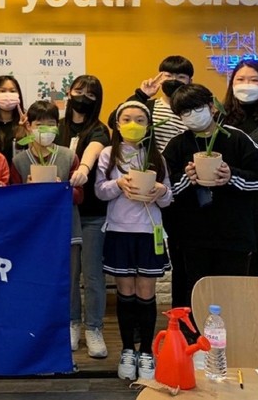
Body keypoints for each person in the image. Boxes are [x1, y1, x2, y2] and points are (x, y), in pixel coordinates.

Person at [164, 83, 258, 307]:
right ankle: (194, 329)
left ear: (212, 106)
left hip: (234, 236)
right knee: (194, 294)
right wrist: (187, 178)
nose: (192, 115)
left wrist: (231, 176)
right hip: (191, 237)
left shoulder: (237, 139)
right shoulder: (177, 145)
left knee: (231, 295)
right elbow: (165, 191)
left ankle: (230, 330)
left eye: (196, 108)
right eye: (184, 112)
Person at [107, 55, 194, 308]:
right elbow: (116, 120)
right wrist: (141, 95)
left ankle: (181, 312)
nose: (174, 80)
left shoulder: (190, 111)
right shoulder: (150, 107)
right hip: (145, 188)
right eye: (168, 75)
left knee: (181, 255)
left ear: (190, 81)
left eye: (181, 77)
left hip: (179, 187)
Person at [95, 101, 172, 381]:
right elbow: (100, 191)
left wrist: (161, 191)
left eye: (140, 120)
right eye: (127, 119)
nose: (133, 125)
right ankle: (128, 349)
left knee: (146, 292)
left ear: (149, 126)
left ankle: (147, 351)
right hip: (119, 230)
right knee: (125, 291)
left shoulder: (157, 156)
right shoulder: (108, 154)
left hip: (149, 232)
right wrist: (119, 184)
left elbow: (168, 197)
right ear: (117, 124)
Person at [12, 100, 84, 367]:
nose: (45, 129)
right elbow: (13, 197)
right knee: (35, 281)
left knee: (70, 279)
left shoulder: (68, 156)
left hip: (67, 228)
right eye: (39, 124)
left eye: (51, 124)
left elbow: (80, 195)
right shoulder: (19, 160)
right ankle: (36, 327)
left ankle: (72, 323)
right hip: (33, 235)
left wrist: (62, 188)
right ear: (29, 126)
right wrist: (28, 188)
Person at [57, 74, 110, 359]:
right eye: (79, 91)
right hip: (62, 214)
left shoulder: (99, 130)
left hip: (92, 214)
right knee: (68, 273)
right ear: (69, 92)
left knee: (92, 275)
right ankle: (71, 323)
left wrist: (84, 169)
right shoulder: (56, 128)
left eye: (91, 95)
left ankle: (94, 327)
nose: (83, 98)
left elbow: (93, 151)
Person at [222, 59, 258, 276]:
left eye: (254, 80)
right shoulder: (221, 117)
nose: (246, 84)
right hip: (231, 199)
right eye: (240, 79)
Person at [0, 75, 27, 166]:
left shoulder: (26, 123)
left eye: (12, 91)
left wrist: (28, 129)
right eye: (2, 91)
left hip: (18, 173)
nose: (7, 95)